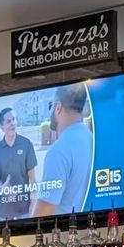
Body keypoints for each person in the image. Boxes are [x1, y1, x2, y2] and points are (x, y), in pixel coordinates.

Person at [33, 82, 93, 218]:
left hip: (63, 228)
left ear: (58, 107)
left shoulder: (58, 151)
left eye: (51, 106)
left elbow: (42, 215)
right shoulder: (92, 140)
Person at [0, 106, 36, 220]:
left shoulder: (26, 144)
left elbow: (32, 177)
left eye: (14, 119)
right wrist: (2, 189)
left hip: (24, 208)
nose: (12, 123)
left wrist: (34, 200)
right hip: (5, 210)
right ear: (2, 127)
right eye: (8, 121)